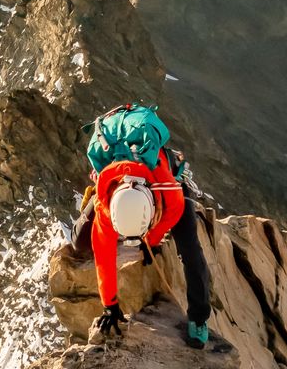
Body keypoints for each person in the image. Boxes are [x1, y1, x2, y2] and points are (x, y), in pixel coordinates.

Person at [76, 104, 212, 347]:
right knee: (80, 240)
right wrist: (110, 305)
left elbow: (167, 221)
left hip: (162, 175)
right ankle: (91, 192)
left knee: (191, 253)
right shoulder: (106, 207)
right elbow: (103, 257)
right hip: (115, 176)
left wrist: (151, 241)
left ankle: (199, 318)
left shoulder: (170, 192)